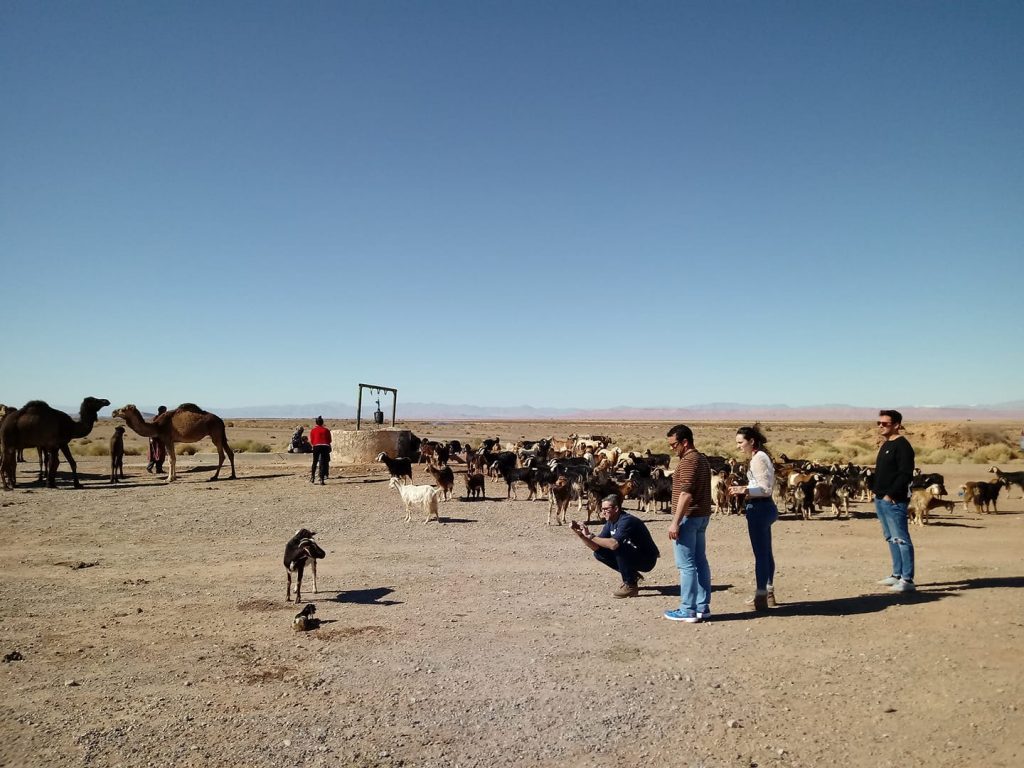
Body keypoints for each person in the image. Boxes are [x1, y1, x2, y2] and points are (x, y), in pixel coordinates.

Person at [663, 424, 713, 623]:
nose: (672, 449)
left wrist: (675, 522)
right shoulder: (703, 459)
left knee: (686, 565)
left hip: (688, 517)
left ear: (685, 442)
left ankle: (687, 609)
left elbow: (685, 493)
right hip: (701, 516)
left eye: (674, 445)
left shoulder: (688, 462)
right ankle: (702, 606)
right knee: (700, 561)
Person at [570, 494, 659, 598]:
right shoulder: (610, 522)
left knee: (617, 546)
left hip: (647, 559)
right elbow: (596, 545)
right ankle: (632, 576)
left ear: (616, 508)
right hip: (634, 556)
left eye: (606, 509)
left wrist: (590, 536)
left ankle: (631, 586)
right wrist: (581, 535)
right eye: (602, 509)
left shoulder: (627, 520)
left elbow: (613, 544)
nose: (602, 512)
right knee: (599, 553)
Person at [729, 425, 778, 611]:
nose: (738, 446)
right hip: (766, 508)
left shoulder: (758, 459)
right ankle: (769, 591)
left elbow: (765, 490)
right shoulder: (761, 456)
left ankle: (761, 595)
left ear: (751, 441)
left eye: (741, 442)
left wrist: (743, 489)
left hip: (759, 509)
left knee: (761, 554)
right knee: (766, 552)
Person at [873, 409, 916, 592]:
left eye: (885, 423)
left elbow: (905, 474)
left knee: (902, 539)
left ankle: (907, 580)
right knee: (890, 538)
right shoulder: (886, 444)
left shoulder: (903, 446)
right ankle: (896, 574)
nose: (881, 426)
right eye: (879, 423)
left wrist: (890, 494)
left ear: (897, 425)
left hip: (894, 499)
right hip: (880, 498)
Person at [309, 416, 332, 485]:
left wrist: (315, 444)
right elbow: (329, 440)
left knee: (315, 462)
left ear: (316, 423)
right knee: (323, 463)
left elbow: (312, 441)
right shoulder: (326, 430)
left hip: (316, 446)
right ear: (322, 422)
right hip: (325, 446)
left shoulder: (313, 430)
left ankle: (312, 477)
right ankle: (322, 479)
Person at [146, 405, 168, 474]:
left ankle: (159, 469)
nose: (165, 412)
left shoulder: (162, 418)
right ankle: (150, 467)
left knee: (160, 454)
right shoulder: (156, 418)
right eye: (165, 410)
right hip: (155, 439)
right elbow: (152, 428)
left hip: (160, 438)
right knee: (155, 453)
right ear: (161, 411)